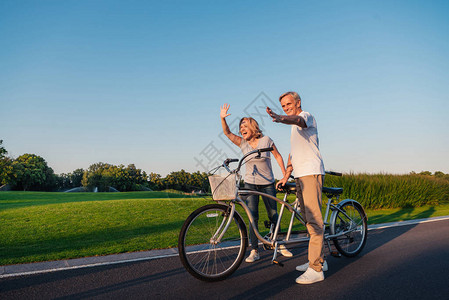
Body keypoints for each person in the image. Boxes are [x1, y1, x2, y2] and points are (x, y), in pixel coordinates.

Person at [266, 91, 326, 284]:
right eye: (283, 106)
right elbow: (293, 155)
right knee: (309, 220)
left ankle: (316, 269)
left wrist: (281, 118)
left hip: (310, 173)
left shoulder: (306, 116)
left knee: (315, 221)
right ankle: (318, 261)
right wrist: (286, 175)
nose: (285, 108)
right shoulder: (294, 128)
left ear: (298, 102)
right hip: (300, 175)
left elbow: (299, 121)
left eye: (288, 104)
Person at [220, 103, 292, 262]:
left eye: (244, 125)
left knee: (273, 214)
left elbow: (278, 156)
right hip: (250, 185)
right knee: (253, 217)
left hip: (267, 184)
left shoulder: (266, 140)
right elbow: (227, 132)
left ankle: (278, 244)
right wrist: (222, 118)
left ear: (253, 127)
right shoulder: (242, 143)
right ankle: (254, 250)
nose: (241, 129)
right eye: (240, 127)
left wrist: (284, 176)